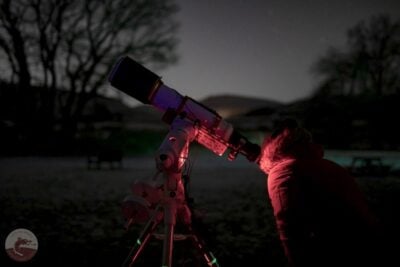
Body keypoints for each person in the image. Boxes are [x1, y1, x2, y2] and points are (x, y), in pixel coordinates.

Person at [258, 118, 387, 267]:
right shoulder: (330, 166)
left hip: (333, 252)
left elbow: (289, 225)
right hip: (368, 243)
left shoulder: (282, 172)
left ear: (271, 149)